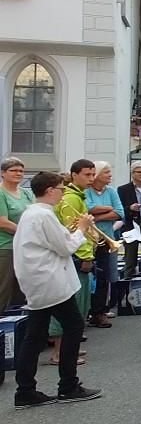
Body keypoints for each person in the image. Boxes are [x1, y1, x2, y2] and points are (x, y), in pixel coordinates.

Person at [12, 171, 102, 407]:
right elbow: (65, 247)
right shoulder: (43, 215)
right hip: (50, 281)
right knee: (73, 326)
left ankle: (25, 391)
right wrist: (82, 228)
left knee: (35, 335)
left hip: (38, 280)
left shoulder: (32, 214)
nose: (63, 193)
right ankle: (68, 386)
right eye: (61, 189)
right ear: (50, 190)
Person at [50, 160, 97, 364]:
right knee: (73, 304)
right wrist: (86, 256)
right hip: (76, 256)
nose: (91, 179)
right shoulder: (71, 198)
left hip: (78, 254)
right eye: (87, 175)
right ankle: (60, 354)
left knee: (81, 305)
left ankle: (71, 348)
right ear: (74, 175)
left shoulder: (78, 195)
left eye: (93, 174)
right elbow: (75, 231)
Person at [85, 161, 124, 327]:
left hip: (105, 239)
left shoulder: (111, 190)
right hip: (87, 240)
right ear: (98, 175)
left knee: (103, 277)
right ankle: (86, 309)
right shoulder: (86, 191)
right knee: (87, 276)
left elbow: (119, 212)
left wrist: (96, 217)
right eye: (106, 172)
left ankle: (98, 312)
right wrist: (108, 209)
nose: (110, 175)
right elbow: (86, 208)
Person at [0, 157, 34, 311]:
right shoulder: (1, 193)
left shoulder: (26, 193)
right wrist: (25, 232)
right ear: (3, 173)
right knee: (4, 288)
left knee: (22, 288)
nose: (18, 173)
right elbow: (3, 222)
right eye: (13, 170)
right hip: (6, 247)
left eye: (21, 171)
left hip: (24, 246)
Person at [118, 161, 141, 280]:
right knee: (130, 259)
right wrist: (130, 208)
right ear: (132, 173)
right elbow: (119, 209)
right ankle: (128, 286)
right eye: (139, 172)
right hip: (131, 226)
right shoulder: (123, 189)